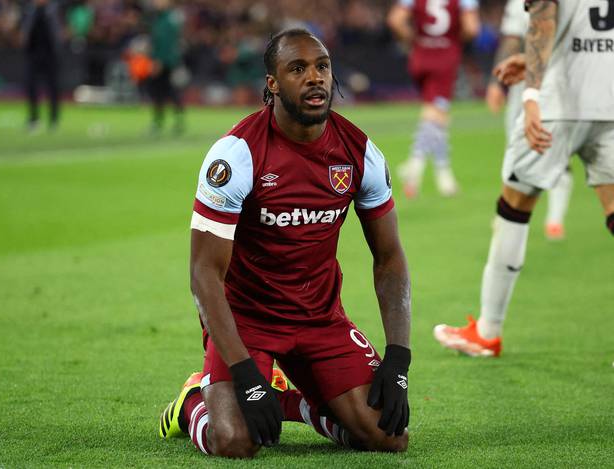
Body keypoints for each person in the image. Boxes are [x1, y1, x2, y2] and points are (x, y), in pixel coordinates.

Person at [158, 29, 413, 458]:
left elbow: (389, 259)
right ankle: (191, 405)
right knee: (235, 441)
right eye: (298, 69)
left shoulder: (360, 152)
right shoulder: (236, 154)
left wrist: (399, 359)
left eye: (322, 67)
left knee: (387, 437)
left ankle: (287, 402)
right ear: (272, 83)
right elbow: (204, 273)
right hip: (246, 321)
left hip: (320, 319)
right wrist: (241, 370)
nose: (315, 78)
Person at [434, 0, 614, 357]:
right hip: (608, 101)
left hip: (557, 104)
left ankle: (487, 331)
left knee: (513, 206)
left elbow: (543, 23)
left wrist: (531, 95)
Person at [485, 0, 573, 241]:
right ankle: (508, 217)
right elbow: (512, 39)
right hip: (526, 83)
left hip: (560, 83)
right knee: (516, 150)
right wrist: (496, 83)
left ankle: (554, 219)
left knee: (556, 148)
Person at [387, 0, 480, 198]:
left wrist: (413, 40)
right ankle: (415, 164)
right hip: (444, 58)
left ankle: (443, 174)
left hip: (420, 56)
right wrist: (455, 39)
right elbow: (472, 28)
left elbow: (396, 20)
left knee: (436, 116)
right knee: (435, 115)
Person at [21, 0, 63, 132]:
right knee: (31, 87)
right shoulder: (30, 11)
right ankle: (34, 119)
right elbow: (26, 32)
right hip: (34, 55)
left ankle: (53, 120)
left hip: (50, 55)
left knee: (53, 88)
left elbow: (57, 32)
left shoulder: (52, 10)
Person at [148, 0, 184, 135]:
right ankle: (169, 120)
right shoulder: (163, 19)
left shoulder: (167, 20)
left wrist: (159, 61)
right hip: (165, 61)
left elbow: (167, 44)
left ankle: (163, 121)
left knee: (163, 91)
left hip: (165, 63)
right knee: (165, 91)